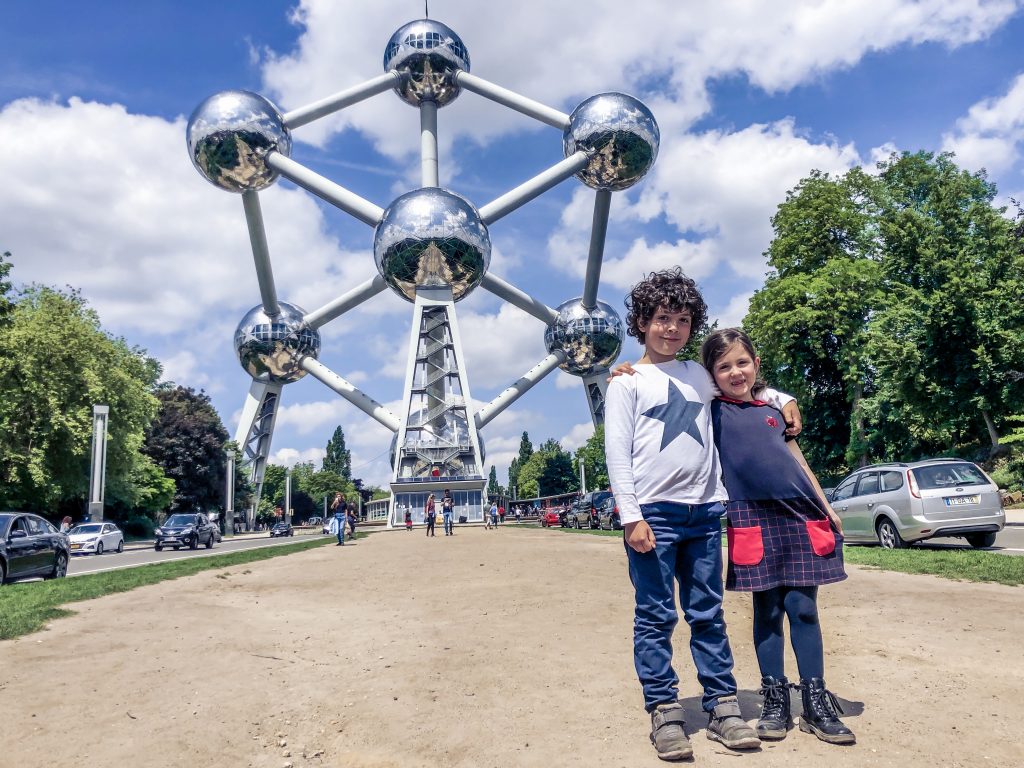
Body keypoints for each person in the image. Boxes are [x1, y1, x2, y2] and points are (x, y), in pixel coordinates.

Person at [605, 267, 800, 761]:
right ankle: (665, 712)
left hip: (705, 515)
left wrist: (784, 398)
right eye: (662, 318)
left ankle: (723, 707)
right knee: (654, 616)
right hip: (654, 515)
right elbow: (617, 455)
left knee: (707, 614)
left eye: (683, 319)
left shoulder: (697, 375)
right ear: (642, 322)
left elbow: (746, 391)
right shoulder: (627, 383)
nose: (672, 329)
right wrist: (632, 516)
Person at [701, 328, 854, 745]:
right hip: (751, 518)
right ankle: (775, 699)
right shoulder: (710, 410)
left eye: (742, 362)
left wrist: (827, 506)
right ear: (711, 373)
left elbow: (799, 463)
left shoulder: (773, 411)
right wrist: (624, 373)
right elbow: (672, 385)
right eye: (724, 366)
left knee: (803, 609)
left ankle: (816, 701)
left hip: (800, 513)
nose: (735, 372)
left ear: (757, 365)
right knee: (767, 613)